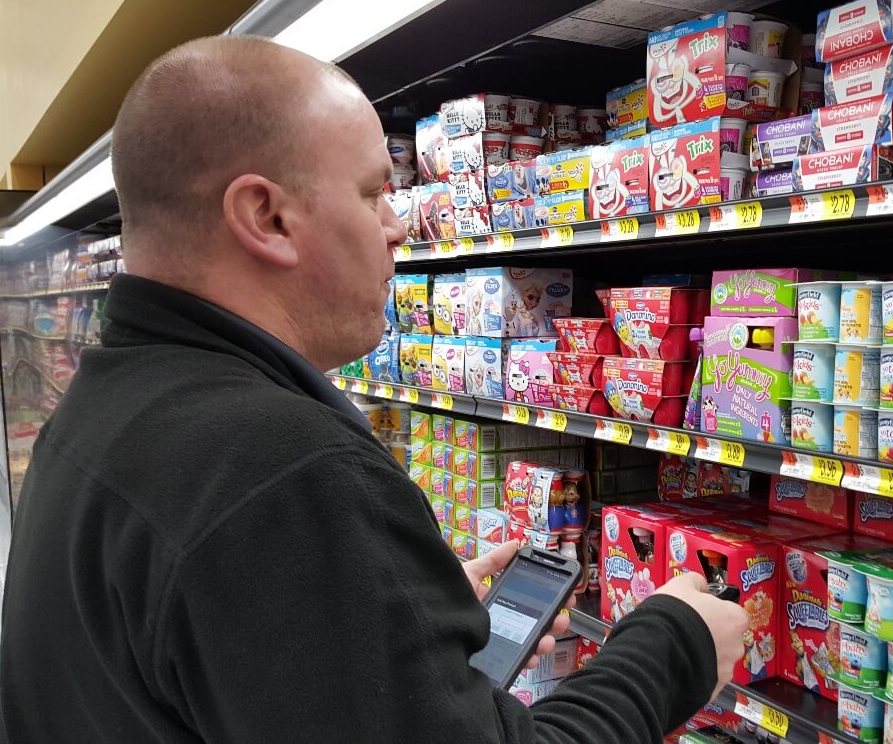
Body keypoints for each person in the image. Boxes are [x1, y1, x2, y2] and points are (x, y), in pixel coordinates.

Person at [0, 35, 748, 743]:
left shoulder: (105, 404)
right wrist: (670, 645)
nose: (397, 228)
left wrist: (382, 624)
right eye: (371, 195)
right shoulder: (282, 469)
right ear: (267, 216)